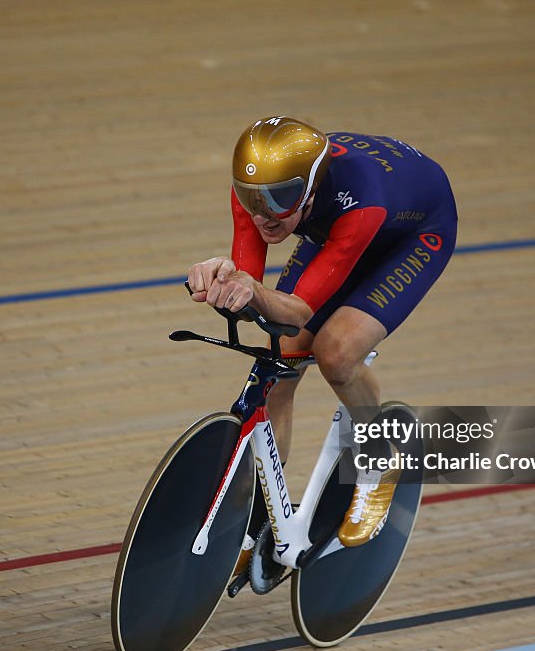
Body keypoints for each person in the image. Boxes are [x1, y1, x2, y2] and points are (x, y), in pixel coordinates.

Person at [187, 115, 457, 554]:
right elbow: (249, 286)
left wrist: (251, 290)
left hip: (413, 232)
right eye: (254, 198)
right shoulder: (259, 198)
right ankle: (258, 512)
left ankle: (379, 457)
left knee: (336, 352)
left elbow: (295, 312)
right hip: (335, 225)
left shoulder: (359, 203)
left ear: (311, 188)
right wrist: (221, 281)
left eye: (281, 199)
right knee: (278, 363)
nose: (265, 215)